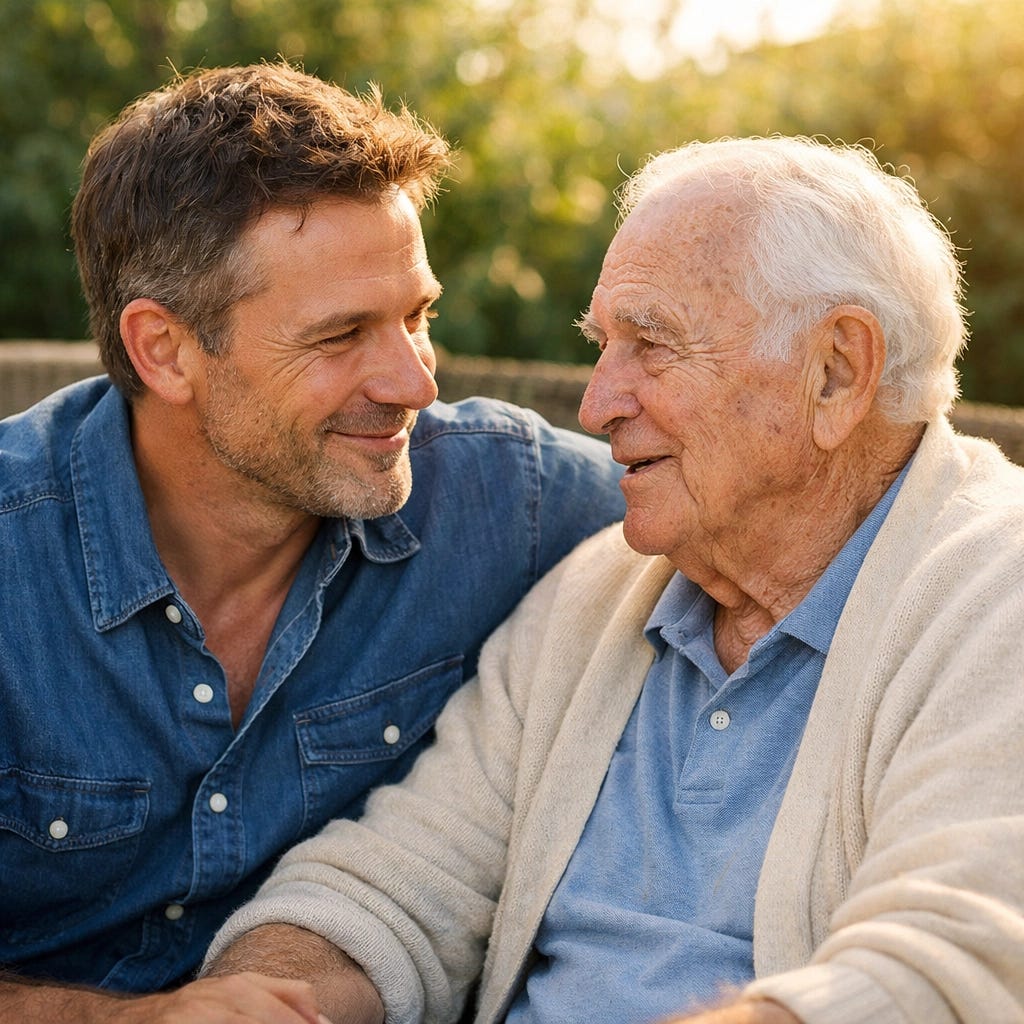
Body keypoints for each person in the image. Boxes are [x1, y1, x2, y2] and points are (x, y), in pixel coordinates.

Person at [203, 135, 1024, 1024]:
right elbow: (397, 885)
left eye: (652, 344)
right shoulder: (600, 592)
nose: (598, 405)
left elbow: (951, 972)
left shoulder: (996, 593)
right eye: (604, 345)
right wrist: (262, 995)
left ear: (836, 373)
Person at [0, 62, 627, 1021]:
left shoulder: (510, 499)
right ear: (163, 348)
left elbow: (784, 504)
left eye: (417, 316)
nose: (414, 382)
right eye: (340, 336)